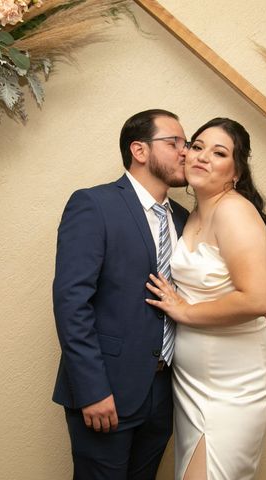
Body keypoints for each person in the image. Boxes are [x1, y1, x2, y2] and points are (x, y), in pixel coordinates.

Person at [52, 109, 191, 479]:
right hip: (107, 389)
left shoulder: (183, 218)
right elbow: (71, 303)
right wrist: (92, 390)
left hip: (163, 391)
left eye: (186, 143)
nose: (185, 152)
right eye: (174, 142)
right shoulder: (94, 205)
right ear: (139, 151)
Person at [146, 118, 266, 480]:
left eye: (219, 153)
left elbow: (258, 300)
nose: (203, 156)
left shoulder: (234, 211)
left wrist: (186, 312)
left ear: (235, 172)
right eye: (198, 146)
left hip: (236, 382)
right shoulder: (188, 216)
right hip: (192, 384)